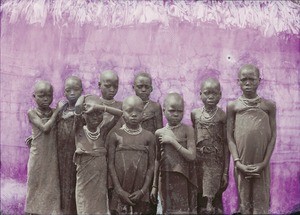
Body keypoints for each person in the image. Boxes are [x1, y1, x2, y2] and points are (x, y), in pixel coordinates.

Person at [227, 64, 276, 214]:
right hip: (241, 164)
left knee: (261, 202)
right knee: (244, 203)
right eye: (244, 80)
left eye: (252, 79)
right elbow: (229, 136)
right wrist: (237, 162)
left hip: (261, 163)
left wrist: (264, 162)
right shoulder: (233, 106)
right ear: (238, 81)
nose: (248, 83)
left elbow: (273, 136)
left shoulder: (269, 106)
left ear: (259, 80)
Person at [74, 95, 123, 214]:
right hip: (84, 185)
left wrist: (99, 107)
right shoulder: (79, 131)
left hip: (100, 184)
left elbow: (119, 113)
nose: (96, 117)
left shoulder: (103, 132)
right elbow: (77, 107)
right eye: (91, 113)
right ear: (84, 115)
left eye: (99, 113)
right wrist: (84, 97)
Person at [150, 93, 197, 214]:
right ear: (164, 110)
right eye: (172, 111)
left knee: (182, 211)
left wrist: (172, 141)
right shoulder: (159, 133)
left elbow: (192, 156)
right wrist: (154, 187)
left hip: (183, 178)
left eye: (180, 111)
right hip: (165, 178)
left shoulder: (188, 130)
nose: (176, 114)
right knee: (167, 210)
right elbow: (157, 160)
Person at [108, 96, 155, 214]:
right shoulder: (115, 135)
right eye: (129, 111)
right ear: (123, 113)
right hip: (120, 191)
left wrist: (143, 191)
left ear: (143, 114)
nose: (134, 114)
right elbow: (111, 165)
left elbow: (151, 166)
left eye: (138, 111)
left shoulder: (149, 136)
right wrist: (119, 190)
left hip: (140, 192)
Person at [25, 80, 66, 215]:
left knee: (51, 183)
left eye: (49, 95)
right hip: (37, 154)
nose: (45, 99)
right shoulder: (32, 112)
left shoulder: (55, 112)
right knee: (35, 182)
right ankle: (32, 211)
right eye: (41, 95)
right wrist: (58, 112)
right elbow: (45, 128)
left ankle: (51, 212)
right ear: (34, 96)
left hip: (51, 154)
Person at [191, 78, 229, 214]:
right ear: (200, 94)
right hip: (199, 163)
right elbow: (193, 139)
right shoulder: (195, 114)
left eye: (214, 93)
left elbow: (225, 145)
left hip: (215, 164)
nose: (211, 97)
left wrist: (225, 172)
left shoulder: (222, 116)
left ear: (220, 95)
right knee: (199, 198)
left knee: (215, 199)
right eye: (207, 93)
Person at [133, 72, 163, 214]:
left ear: (151, 89)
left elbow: (159, 131)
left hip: (150, 152)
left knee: (148, 191)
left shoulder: (155, 107)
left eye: (147, 87)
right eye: (140, 87)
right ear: (134, 88)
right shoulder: (129, 104)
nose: (143, 90)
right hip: (133, 152)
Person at [57, 76, 83, 215]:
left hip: (76, 154)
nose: (72, 93)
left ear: (82, 91)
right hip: (61, 155)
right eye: (68, 90)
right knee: (62, 186)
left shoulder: (83, 110)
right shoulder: (61, 109)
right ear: (64, 92)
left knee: (75, 186)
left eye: (76, 89)